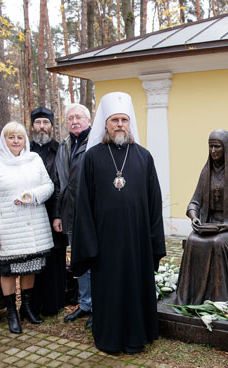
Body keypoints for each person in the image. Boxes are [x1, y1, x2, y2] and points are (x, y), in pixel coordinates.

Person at [71, 91, 166, 354]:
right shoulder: (92, 157)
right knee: (109, 291)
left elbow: (154, 202)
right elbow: (83, 204)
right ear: (106, 124)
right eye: (115, 120)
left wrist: (154, 241)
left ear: (130, 123)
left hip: (137, 241)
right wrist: (89, 244)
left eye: (124, 119)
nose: (120, 124)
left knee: (136, 288)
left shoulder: (144, 157)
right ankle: (110, 339)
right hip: (105, 242)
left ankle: (137, 338)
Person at [0, 122, 55, 334]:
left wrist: (33, 195)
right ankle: (12, 313)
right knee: (8, 271)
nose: (16, 141)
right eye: (11, 137)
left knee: (29, 268)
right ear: (4, 140)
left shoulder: (34, 160)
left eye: (20, 137)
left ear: (25, 140)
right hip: (7, 227)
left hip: (32, 224)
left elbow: (49, 186)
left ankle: (27, 308)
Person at [174, 129, 228, 306]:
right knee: (192, 240)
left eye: (217, 147)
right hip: (208, 224)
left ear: (226, 148)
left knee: (217, 243)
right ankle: (190, 298)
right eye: (211, 146)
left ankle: (220, 299)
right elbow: (194, 202)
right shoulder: (206, 172)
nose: (213, 151)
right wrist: (194, 218)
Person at [54, 103, 93, 327]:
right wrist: (58, 215)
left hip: (90, 215)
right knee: (78, 260)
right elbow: (60, 183)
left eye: (79, 117)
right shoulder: (65, 145)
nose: (74, 121)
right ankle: (86, 304)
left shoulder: (94, 144)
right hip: (70, 214)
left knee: (93, 260)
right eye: (70, 118)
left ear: (88, 120)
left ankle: (98, 306)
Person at [28, 106, 68, 317]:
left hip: (54, 211)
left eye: (46, 123)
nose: (42, 127)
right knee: (35, 257)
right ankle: (34, 302)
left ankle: (55, 302)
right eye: (38, 123)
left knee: (55, 257)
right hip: (31, 212)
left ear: (52, 126)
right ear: (32, 125)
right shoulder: (25, 150)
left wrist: (58, 214)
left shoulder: (60, 149)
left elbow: (62, 183)